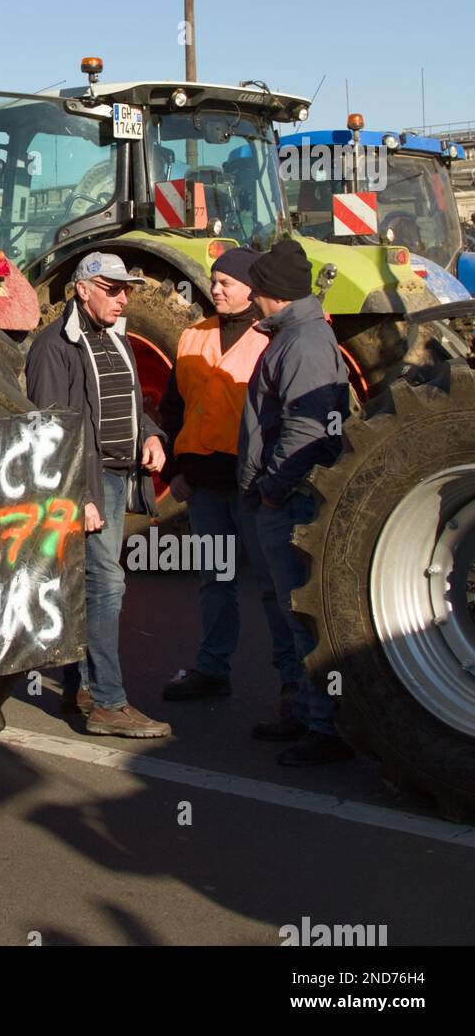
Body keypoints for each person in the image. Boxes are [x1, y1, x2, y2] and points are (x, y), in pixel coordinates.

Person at [25, 252, 171, 739]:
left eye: (126, 288)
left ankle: (82, 688)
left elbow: (128, 400)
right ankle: (108, 701)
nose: (123, 297)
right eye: (113, 288)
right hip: (86, 484)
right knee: (105, 584)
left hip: (113, 476)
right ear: (82, 289)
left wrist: (149, 434)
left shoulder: (114, 337)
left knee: (92, 584)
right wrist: (79, 496)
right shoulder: (53, 346)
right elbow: (54, 432)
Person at [157, 248, 301, 705]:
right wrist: (178, 470)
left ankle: (294, 683)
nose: (215, 289)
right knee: (215, 582)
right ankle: (212, 668)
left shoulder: (272, 338)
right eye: (213, 281)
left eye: (225, 282)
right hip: (205, 489)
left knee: (273, 586)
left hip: (253, 488)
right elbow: (174, 409)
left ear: (251, 289)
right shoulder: (192, 337)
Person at [238, 238, 354, 765]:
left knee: (302, 617)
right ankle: (306, 712)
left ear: (274, 295)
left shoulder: (303, 343)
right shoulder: (297, 334)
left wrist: (271, 491)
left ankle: (326, 727)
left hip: (289, 502)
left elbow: (304, 429)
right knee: (290, 615)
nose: (249, 297)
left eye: (256, 289)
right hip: (284, 498)